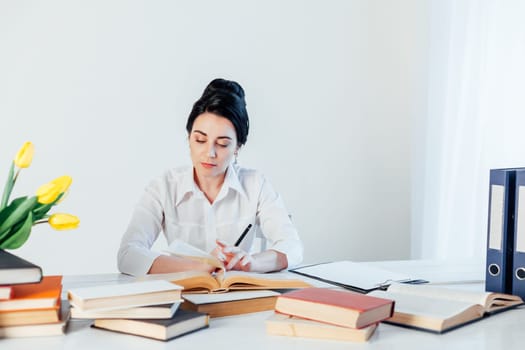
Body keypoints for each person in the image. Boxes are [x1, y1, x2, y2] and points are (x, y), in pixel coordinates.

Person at [117, 78, 303, 276]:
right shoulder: (164, 187)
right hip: (181, 297)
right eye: (200, 140)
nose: (210, 153)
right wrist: (200, 267)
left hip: (236, 298)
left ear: (237, 148)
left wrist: (251, 262)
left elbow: (292, 247)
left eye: (222, 144)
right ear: (189, 139)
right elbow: (128, 255)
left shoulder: (255, 184)